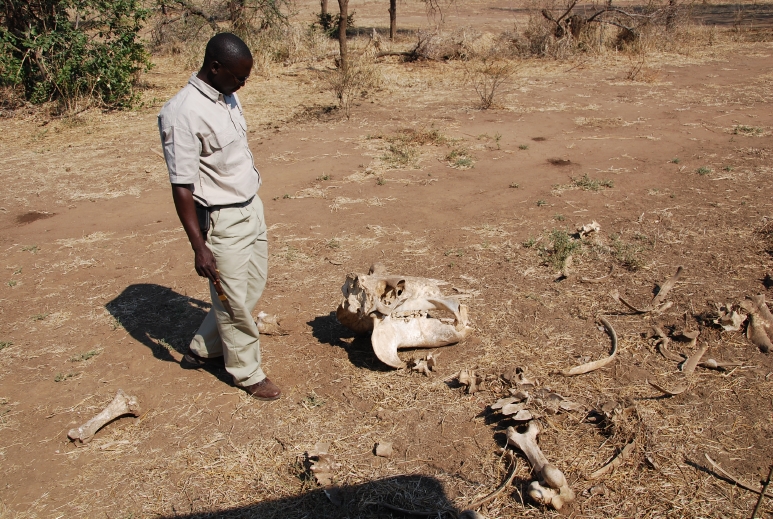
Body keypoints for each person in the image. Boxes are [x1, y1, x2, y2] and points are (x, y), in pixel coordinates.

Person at [157, 33, 281, 401]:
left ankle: (203, 348)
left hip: (250, 207)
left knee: (251, 287)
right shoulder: (181, 114)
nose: (243, 84)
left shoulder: (226, 94)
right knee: (231, 301)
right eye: (239, 77)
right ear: (215, 67)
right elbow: (182, 187)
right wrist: (199, 247)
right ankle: (246, 372)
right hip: (222, 219)